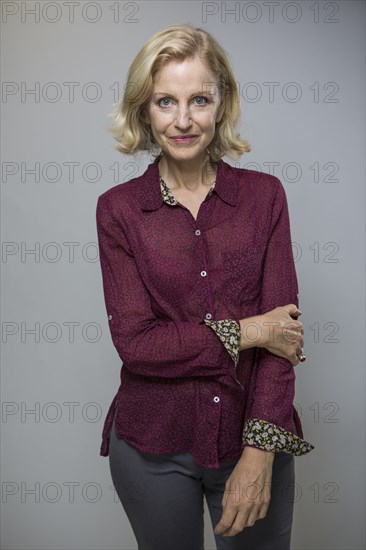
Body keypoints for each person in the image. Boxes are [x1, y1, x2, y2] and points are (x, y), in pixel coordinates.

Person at [96, 23, 314, 550]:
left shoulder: (265, 198)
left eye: (199, 99)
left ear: (222, 102)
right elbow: (138, 345)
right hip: (151, 444)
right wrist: (250, 330)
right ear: (144, 111)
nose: (184, 120)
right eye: (165, 102)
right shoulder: (119, 210)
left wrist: (261, 452)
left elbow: (282, 339)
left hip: (252, 435)